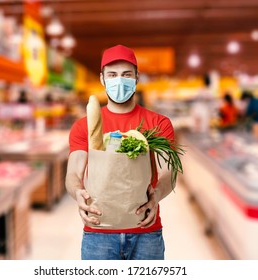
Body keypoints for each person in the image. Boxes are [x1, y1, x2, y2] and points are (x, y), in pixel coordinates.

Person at [65, 45, 175, 260]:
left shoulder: (158, 123)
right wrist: (77, 193)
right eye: (112, 75)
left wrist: (156, 197)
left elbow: (168, 173)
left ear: (137, 77)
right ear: (102, 79)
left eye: (126, 75)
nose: (119, 80)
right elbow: (73, 174)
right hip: (98, 231)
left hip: (146, 231)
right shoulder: (84, 126)